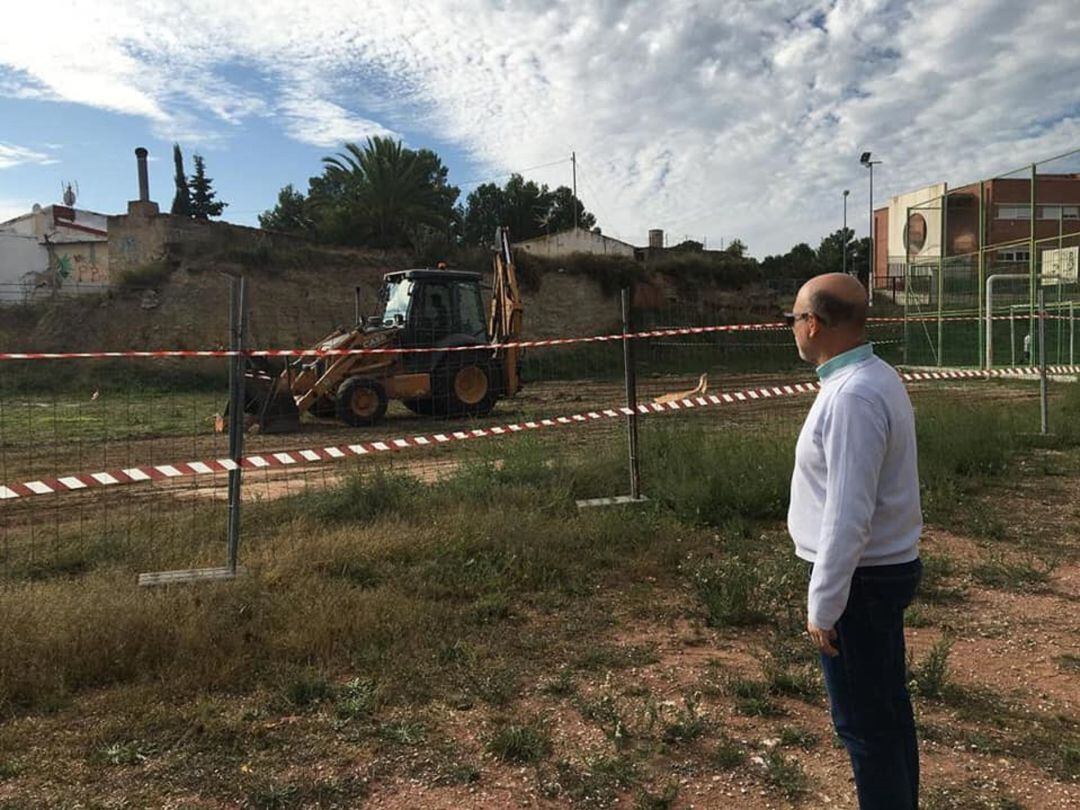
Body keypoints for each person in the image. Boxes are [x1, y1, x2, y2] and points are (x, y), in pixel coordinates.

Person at [785, 273, 923, 809]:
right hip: (873, 575)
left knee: (866, 727)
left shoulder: (852, 396)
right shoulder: (871, 376)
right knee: (886, 717)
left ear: (813, 324)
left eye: (794, 319)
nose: (793, 329)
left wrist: (824, 605)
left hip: (859, 583)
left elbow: (847, 514)